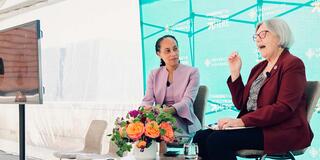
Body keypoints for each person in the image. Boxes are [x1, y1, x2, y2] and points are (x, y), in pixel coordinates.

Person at [193, 18, 313, 160]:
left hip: (281, 129)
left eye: (263, 34)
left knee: (218, 140)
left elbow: (284, 108)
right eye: (256, 36)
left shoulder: (292, 64)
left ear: (279, 36)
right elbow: (241, 104)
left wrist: (242, 122)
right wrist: (235, 73)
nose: (257, 39)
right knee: (201, 136)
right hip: (256, 126)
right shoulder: (258, 68)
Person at [141, 35, 201, 137]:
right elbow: (147, 100)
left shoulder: (192, 72)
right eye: (167, 51)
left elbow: (187, 101)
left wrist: (169, 110)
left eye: (175, 49)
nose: (173, 54)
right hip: (159, 122)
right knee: (142, 134)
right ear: (158, 54)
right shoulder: (154, 74)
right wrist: (146, 109)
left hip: (183, 122)